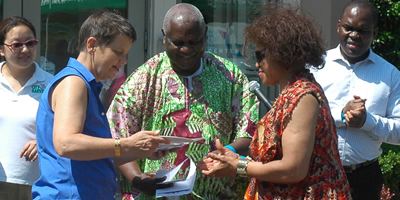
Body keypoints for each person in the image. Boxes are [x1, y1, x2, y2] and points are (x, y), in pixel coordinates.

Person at [198, 4, 352, 199]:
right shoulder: (291, 94)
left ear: (282, 53)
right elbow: (275, 161)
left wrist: (239, 166)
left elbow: (293, 169)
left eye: (260, 55)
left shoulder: (303, 97)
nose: (256, 64)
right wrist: (237, 159)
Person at [107, 3, 259, 199]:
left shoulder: (230, 76)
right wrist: (138, 179)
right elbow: (117, 139)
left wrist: (228, 151)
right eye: (178, 43)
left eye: (194, 42)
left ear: (204, 34)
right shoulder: (143, 79)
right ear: (164, 37)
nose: (186, 49)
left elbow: (250, 131)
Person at [32, 10, 171, 199]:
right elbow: (66, 143)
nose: (124, 61)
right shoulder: (74, 82)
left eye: (126, 54)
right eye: (118, 52)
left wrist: (139, 150)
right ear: (92, 45)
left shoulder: (85, 85)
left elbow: (94, 154)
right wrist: (125, 144)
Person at [313, 0, 400, 199]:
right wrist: (341, 116)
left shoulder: (390, 75)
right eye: (348, 28)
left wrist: (367, 121)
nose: (354, 35)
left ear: (375, 33)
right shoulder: (316, 67)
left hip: (365, 178)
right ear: (338, 26)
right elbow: (301, 117)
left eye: (362, 30)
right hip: (319, 172)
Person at [0, 16, 53, 200]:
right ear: (1, 49)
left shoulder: (52, 84)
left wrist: (43, 141)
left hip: (38, 182)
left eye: (30, 43)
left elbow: (68, 128)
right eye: (16, 45)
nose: (25, 49)